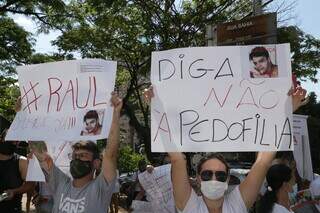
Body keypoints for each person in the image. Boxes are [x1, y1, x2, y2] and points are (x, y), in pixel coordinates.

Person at [143, 84, 307, 213]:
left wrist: (287, 111)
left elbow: (263, 162)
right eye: (207, 174)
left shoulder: (237, 205)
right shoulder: (189, 206)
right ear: (198, 179)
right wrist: (157, 109)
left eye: (220, 175)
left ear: (228, 179)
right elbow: (177, 159)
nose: (214, 179)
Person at [30, 92, 122, 213]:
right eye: (74, 156)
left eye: (82, 155)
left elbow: (110, 154)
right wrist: (24, 113)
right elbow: (38, 150)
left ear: (96, 163)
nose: (77, 159)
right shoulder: (61, 183)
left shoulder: (100, 188)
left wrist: (115, 113)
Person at [0, 130, 35, 213]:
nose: (14, 143)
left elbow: (30, 183)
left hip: (12, 208)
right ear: (1, 139)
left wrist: (14, 191)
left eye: (16, 141)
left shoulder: (22, 161)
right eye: (10, 139)